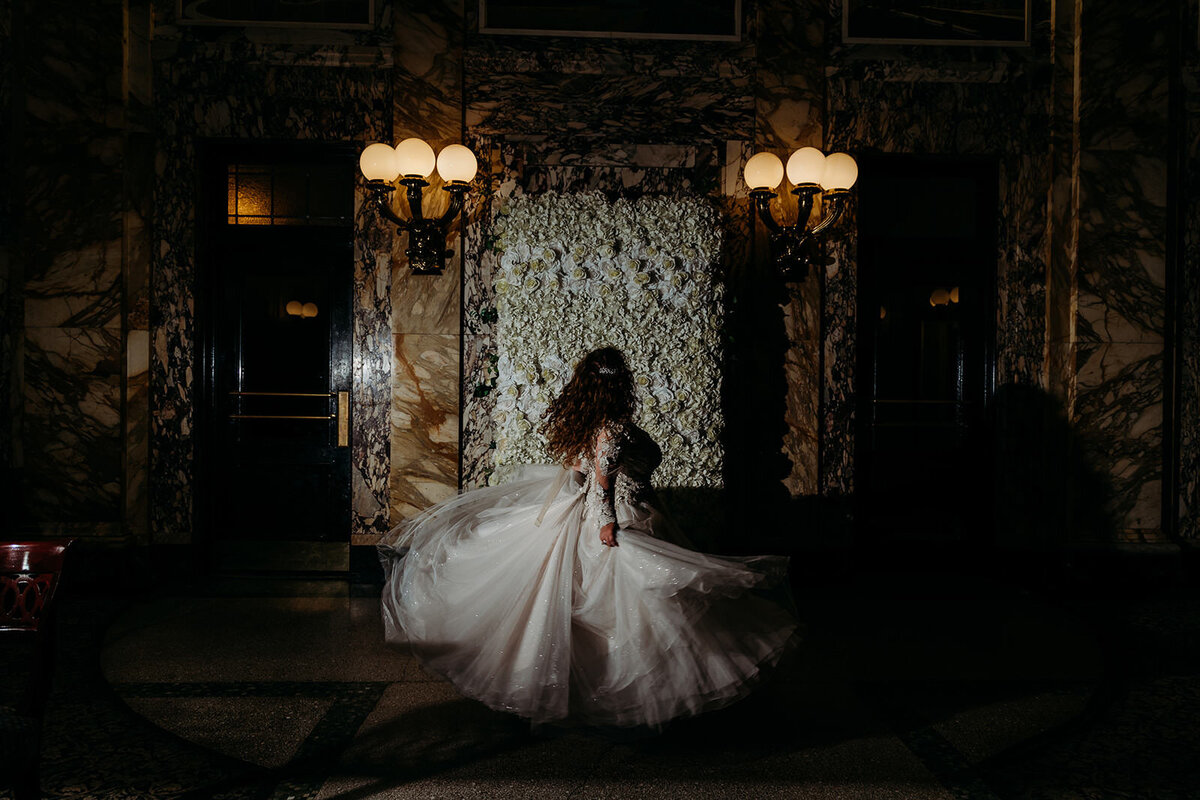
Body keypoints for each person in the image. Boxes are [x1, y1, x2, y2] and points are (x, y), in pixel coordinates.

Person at [378, 347, 797, 728]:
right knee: (626, 599)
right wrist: (606, 524)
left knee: (587, 600)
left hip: (608, 509)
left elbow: (578, 470)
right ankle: (607, 686)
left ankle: (579, 685)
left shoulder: (589, 423)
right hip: (615, 516)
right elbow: (602, 483)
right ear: (620, 386)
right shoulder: (612, 429)